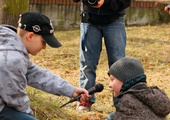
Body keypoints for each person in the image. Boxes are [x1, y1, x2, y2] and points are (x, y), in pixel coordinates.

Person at [0, 12, 90, 120]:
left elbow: (38, 75)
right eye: (43, 42)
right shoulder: (12, 60)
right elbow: (16, 100)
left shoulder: (10, 44)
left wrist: (71, 90)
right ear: (30, 36)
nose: (44, 47)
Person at [74, 0, 132, 111]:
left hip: (115, 19)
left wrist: (105, 3)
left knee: (118, 64)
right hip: (89, 19)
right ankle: (85, 99)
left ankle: (121, 103)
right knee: (87, 63)